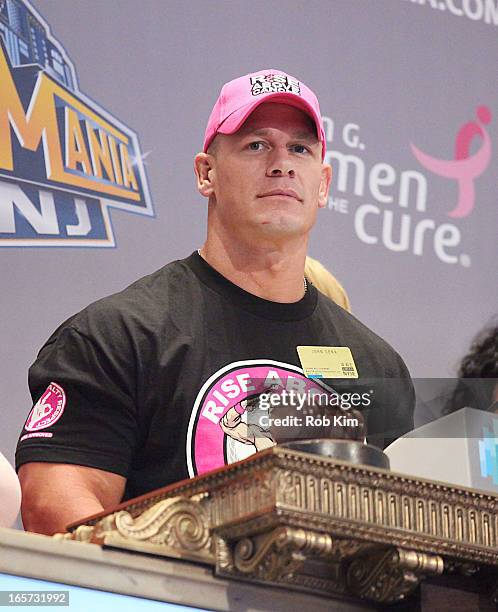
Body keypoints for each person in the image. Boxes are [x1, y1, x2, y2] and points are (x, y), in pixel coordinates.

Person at [16, 69, 414, 535]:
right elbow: (54, 508)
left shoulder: (378, 366)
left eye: (300, 149)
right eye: (257, 145)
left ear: (323, 184)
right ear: (207, 173)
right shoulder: (119, 334)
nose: (282, 164)